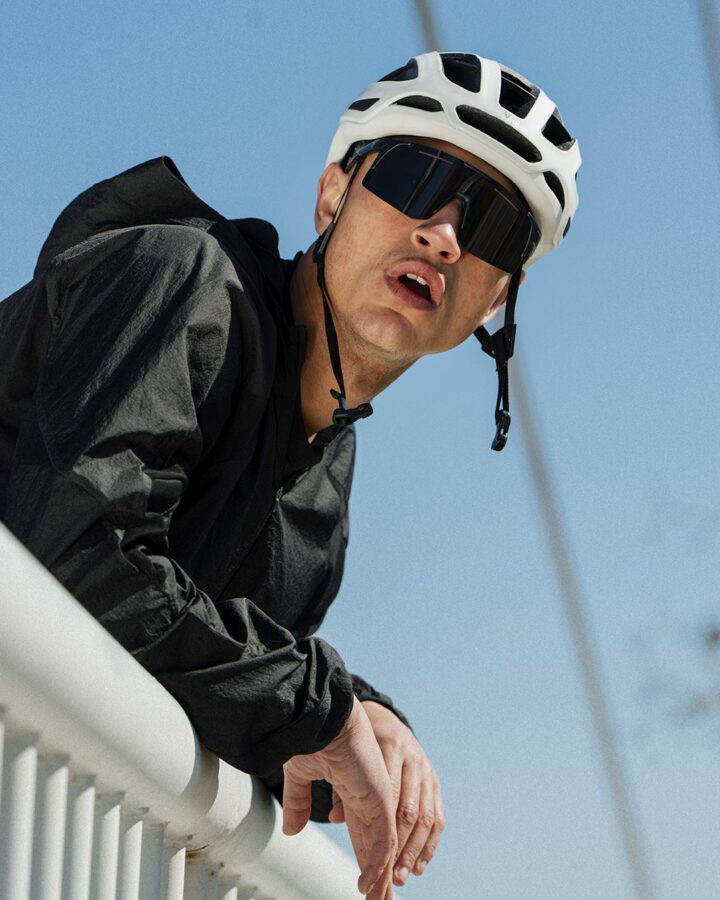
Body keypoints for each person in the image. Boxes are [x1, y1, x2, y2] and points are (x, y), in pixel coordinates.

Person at [0, 51, 580, 898]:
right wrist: (316, 704)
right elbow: (78, 553)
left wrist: (358, 714)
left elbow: (206, 679)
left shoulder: (324, 488)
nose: (444, 234)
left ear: (496, 301)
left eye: (492, 228)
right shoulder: (180, 278)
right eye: (419, 180)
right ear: (332, 195)